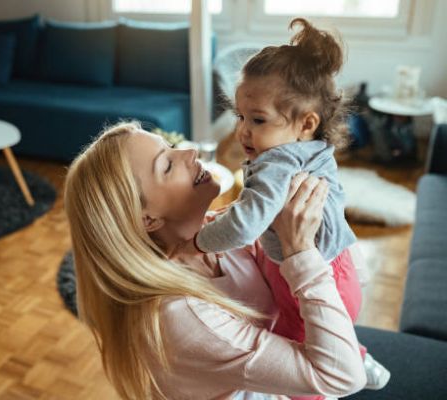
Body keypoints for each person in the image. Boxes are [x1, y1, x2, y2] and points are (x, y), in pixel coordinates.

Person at [64, 121, 366, 400]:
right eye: (167, 165)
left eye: (169, 147)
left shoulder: (217, 231)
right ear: (148, 218)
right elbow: (342, 376)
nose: (190, 152)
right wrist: (301, 252)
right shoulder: (178, 315)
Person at [189, 19, 389, 397]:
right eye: (241, 117)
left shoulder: (277, 162)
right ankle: (358, 353)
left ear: (306, 124)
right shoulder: (309, 150)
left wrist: (200, 241)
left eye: (258, 119)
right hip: (334, 267)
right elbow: (258, 212)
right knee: (324, 327)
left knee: (299, 347)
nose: (243, 131)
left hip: (312, 275)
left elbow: (247, 224)